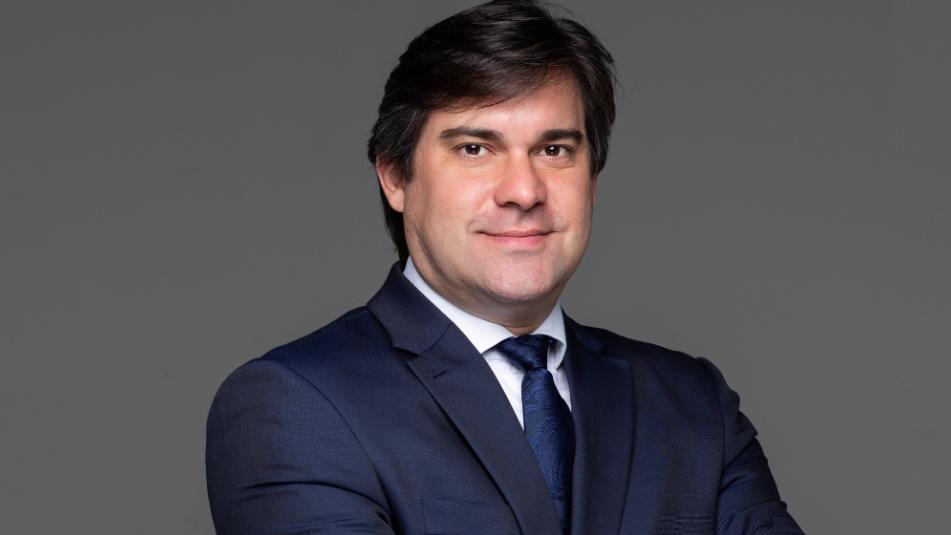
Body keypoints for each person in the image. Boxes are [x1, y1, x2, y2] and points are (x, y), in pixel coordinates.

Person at [205, 1, 804, 533]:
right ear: (395, 177)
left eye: (554, 149)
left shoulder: (692, 404)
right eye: (475, 149)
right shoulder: (297, 405)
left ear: (592, 180)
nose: (523, 190)